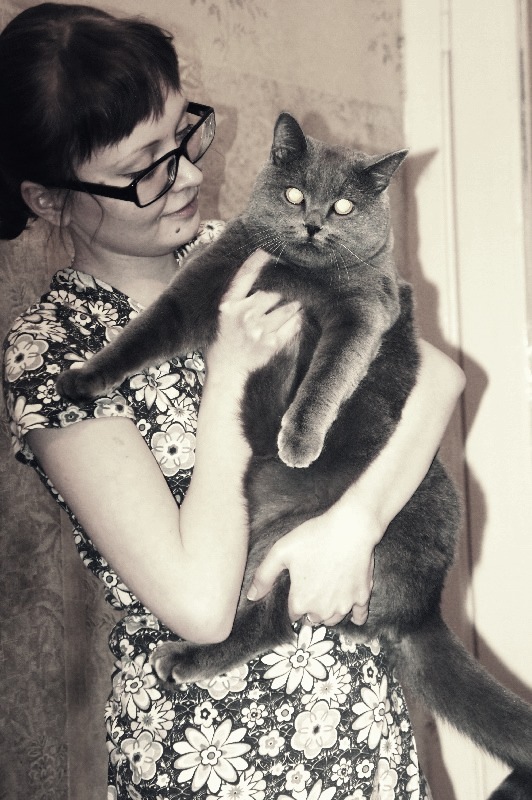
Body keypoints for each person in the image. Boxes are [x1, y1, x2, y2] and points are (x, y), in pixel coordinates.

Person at [1, 4, 465, 799]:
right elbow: (201, 608)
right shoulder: (57, 351)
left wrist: (355, 525)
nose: (187, 175)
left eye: (183, 135)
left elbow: (438, 379)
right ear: (48, 200)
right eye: (145, 168)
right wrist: (227, 373)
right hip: (216, 753)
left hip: (356, 726)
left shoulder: (249, 245)